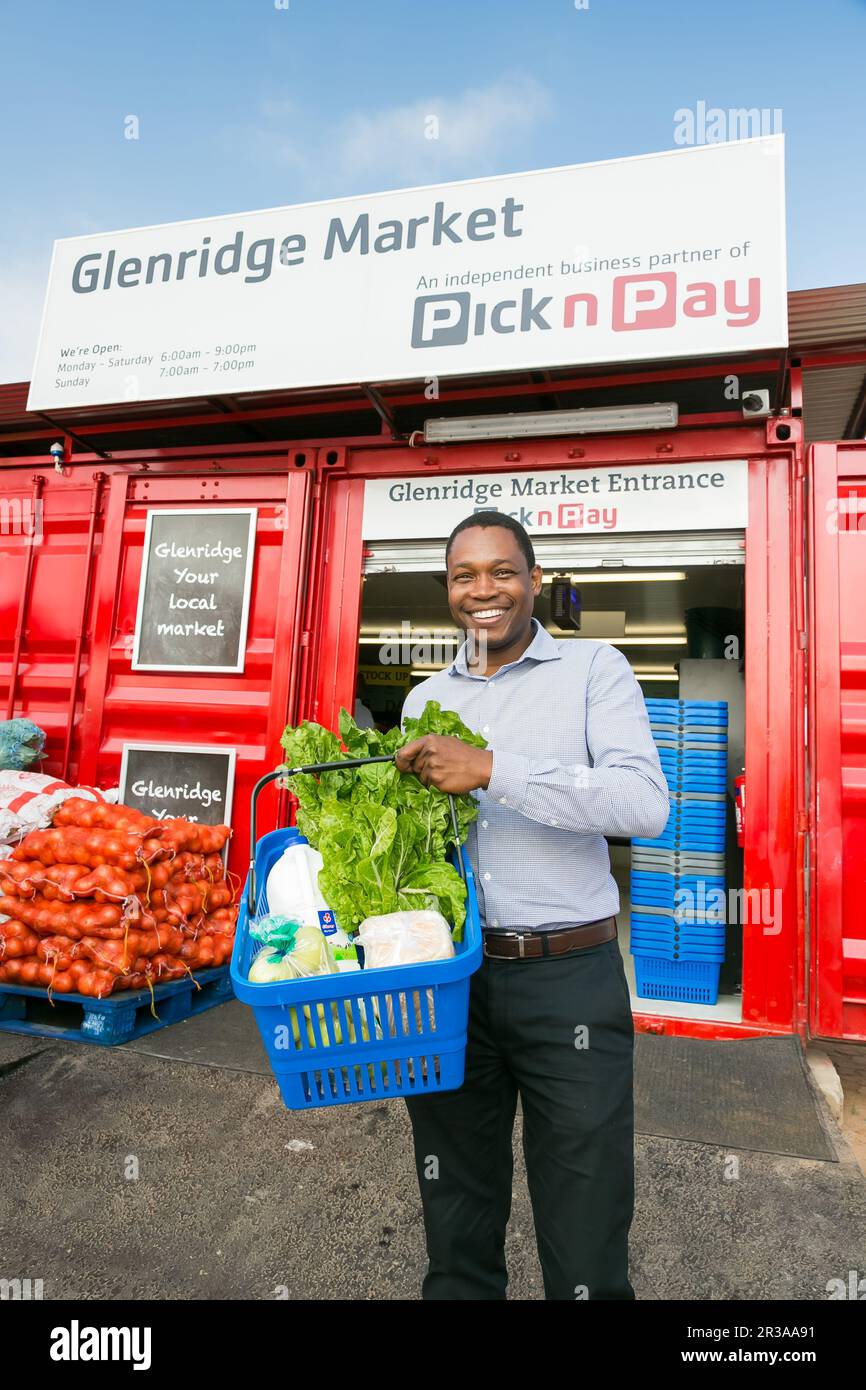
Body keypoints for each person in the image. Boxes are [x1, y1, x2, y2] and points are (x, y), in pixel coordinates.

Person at [394, 511, 669, 1301]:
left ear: (535, 580)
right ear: (448, 589)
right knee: (456, 1211)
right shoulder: (422, 700)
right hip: (450, 983)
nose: (484, 591)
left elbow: (643, 804)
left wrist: (493, 769)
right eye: (463, 576)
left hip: (568, 977)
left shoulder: (594, 669)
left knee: (586, 1222)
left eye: (502, 571)